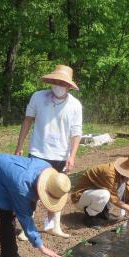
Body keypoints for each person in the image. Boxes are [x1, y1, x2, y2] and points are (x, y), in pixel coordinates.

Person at [15, 64, 82, 238]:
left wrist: (72, 156)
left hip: (60, 154)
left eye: (63, 83)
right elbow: (28, 120)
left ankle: (54, 225)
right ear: (51, 81)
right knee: (32, 190)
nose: (59, 85)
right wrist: (20, 145)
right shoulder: (38, 97)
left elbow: (76, 133)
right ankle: (26, 227)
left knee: (57, 190)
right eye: (56, 81)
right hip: (38, 151)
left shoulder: (75, 105)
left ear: (69, 86)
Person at [70, 152, 129, 227]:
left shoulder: (123, 175)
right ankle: (89, 217)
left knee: (120, 187)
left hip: (93, 195)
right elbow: (113, 197)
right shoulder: (109, 173)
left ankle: (102, 213)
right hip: (81, 198)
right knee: (104, 194)